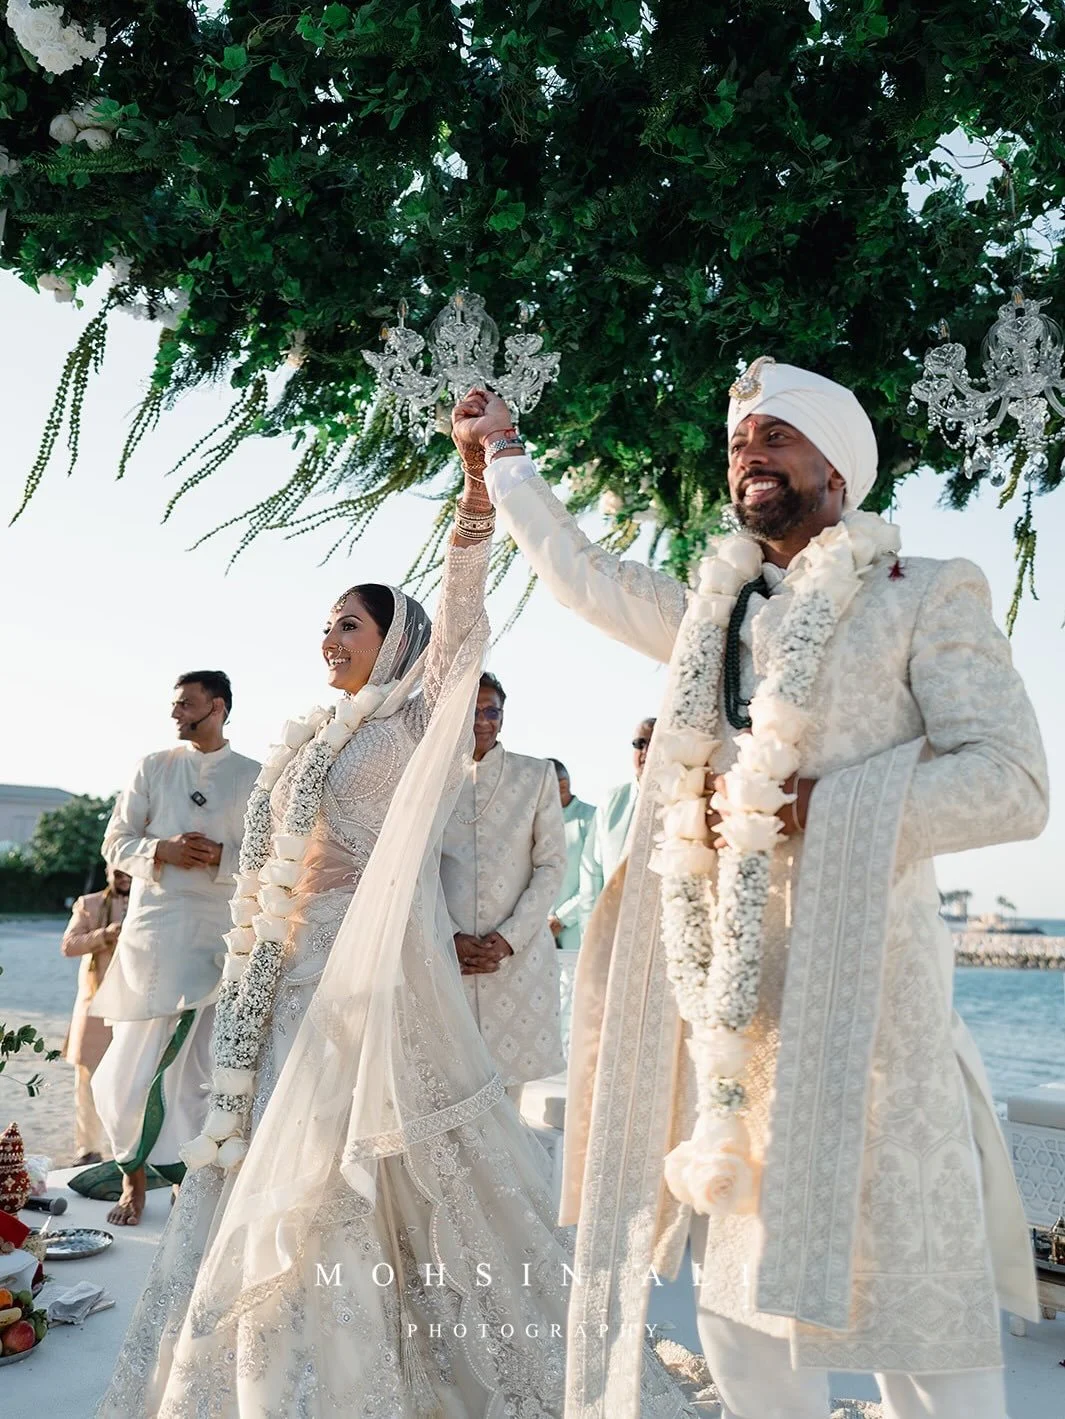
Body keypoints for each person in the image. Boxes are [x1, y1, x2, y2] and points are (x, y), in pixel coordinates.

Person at [452, 370, 1048, 1419]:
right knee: (738, 1320)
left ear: (836, 468)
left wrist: (815, 802)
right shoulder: (710, 615)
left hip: (872, 1021)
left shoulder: (924, 590)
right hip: (732, 1017)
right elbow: (582, 574)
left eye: (777, 434)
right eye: (737, 440)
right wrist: (503, 459)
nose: (749, 452)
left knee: (915, 1318)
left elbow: (1012, 783)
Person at [96, 413, 695, 1419]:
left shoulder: (418, 719)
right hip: (283, 977)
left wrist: (474, 503)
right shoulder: (316, 735)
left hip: (367, 984)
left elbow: (460, 625)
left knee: (363, 1172)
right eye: (327, 624)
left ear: (396, 643)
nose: (329, 638)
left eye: (350, 625)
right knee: (260, 1157)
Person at [77, 672, 259, 1226]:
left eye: (186, 705)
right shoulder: (153, 767)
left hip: (216, 938)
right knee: (126, 1073)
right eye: (175, 705)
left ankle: (186, 1184)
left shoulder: (253, 776)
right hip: (153, 938)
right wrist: (164, 850)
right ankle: (131, 1181)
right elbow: (115, 841)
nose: (176, 714)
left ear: (217, 707)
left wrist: (221, 857)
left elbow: (270, 856)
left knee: (197, 1073)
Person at [441, 672, 567, 1106]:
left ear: (502, 715)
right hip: (448, 958)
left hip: (517, 960)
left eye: (491, 711)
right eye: (472, 711)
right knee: (449, 1097)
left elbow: (551, 864)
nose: (482, 721)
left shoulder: (536, 776)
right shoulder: (433, 781)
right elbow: (419, 871)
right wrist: (449, 935)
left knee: (508, 1104)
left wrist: (509, 938)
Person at [60, 864, 131, 1165]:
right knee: (87, 1078)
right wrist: (105, 935)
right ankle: (87, 1148)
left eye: (129, 872)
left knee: (134, 1078)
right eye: (118, 872)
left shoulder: (149, 903)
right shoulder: (88, 904)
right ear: (108, 871)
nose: (124, 878)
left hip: (134, 1008)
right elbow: (68, 945)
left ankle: (131, 1151)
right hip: (94, 1006)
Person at [577, 718, 655, 934]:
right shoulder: (611, 801)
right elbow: (591, 871)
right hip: (612, 928)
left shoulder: (682, 800)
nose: (646, 751)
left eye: (654, 742)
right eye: (639, 743)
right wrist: (589, 930)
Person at [547, 759, 596, 951]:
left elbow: (596, 878)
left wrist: (561, 919)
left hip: (577, 930)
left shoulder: (592, 818)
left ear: (563, 786)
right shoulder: (532, 822)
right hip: (539, 931)